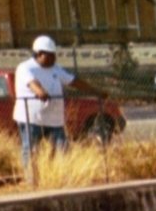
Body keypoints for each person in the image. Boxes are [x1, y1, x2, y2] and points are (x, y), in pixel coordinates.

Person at [12, 35, 101, 169]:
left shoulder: (56, 68)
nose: (54, 58)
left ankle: (64, 175)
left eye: (54, 55)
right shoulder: (25, 67)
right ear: (39, 54)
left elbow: (74, 81)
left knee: (62, 150)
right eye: (49, 55)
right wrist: (40, 92)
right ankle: (32, 179)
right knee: (31, 150)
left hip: (54, 120)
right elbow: (32, 83)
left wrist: (96, 92)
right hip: (31, 119)